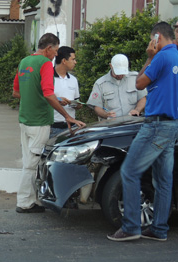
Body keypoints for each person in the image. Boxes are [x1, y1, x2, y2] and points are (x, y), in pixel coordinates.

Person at [107, 22, 178, 242]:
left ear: (156, 38)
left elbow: (138, 83)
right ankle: (158, 229)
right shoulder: (175, 55)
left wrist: (149, 56)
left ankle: (130, 226)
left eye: (152, 40)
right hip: (172, 124)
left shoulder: (162, 57)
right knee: (163, 180)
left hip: (156, 125)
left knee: (129, 171)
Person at [13, 33, 86, 213]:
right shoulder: (45, 63)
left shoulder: (24, 62)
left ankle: (33, 200)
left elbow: (16, 92)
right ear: (48, 49)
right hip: (39, 122)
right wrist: (68, 116)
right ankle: (24, 203)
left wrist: (34, 97)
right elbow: (47, 93)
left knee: (30, 162)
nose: (55, 56)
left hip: (24, 119)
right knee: (32, 164)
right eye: (55, 51)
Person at [87, 54, 147, 120]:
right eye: (118, 73)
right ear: (111, 66)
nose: (120, 75)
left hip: (133, 123)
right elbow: (97, 106)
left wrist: (137, 110)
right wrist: (105, 115)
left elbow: (142, 98)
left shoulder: (135, 78)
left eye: (122, 73)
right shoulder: (100, 84)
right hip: (111, 126)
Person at [50, 46, 82, 137]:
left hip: (72, 127)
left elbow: (77, 101)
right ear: (64, 61)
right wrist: (57, 100)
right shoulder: (48, 77)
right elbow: (41, 98)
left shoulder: (73, 80)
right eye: (73, 59)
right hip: (53, 127)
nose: (75, 62)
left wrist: (77, 104)